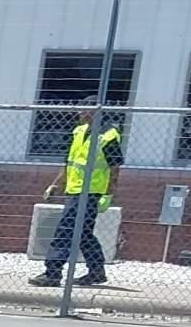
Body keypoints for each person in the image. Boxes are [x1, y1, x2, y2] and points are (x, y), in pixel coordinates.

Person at [36, 116, 125, 287]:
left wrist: (108, 194)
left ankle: (52, 273)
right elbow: (70, 163)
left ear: (94, 112)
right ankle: (97, 272)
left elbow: (115, 168)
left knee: (66, 230)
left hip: (91, 192)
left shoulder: (108, 135)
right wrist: (55, 184)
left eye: (85, 110)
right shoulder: (79, 131)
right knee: (83, 233)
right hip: (74, 189)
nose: (81, 113)